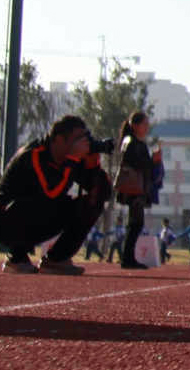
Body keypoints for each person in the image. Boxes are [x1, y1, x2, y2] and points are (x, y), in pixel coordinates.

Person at [0, 116, 110, 274]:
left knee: (91, 203)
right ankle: (17, 257)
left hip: (40, 218)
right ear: (58, 139)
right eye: (78, 139)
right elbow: (50, 193)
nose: (83, 143)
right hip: (8, 220)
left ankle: (56, 259)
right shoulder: (34, 155)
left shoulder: (73, 159)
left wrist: (93, 167)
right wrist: (72, 159)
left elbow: (103, 193)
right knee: (36, 202)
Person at [113, 113, 156, 270]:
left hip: (134, 186)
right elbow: (137, 163)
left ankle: (128, 257)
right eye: (145, 124)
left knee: (135, 223)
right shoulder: (133, 143)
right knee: (136, 223)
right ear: (135, 126)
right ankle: (127, 258)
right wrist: (153, 161)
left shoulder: (131, 141)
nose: (147, 127)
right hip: (134, 186)